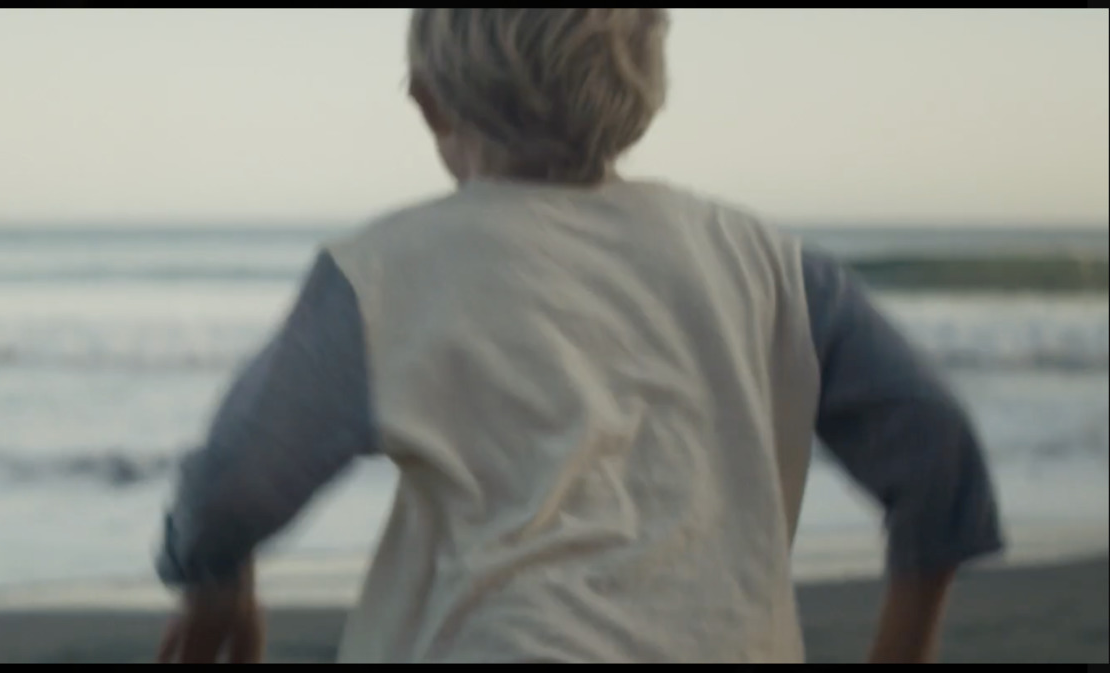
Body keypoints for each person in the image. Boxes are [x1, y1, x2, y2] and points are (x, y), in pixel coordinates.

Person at [152, 8, 1004, 664]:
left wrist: (215, 577)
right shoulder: (771, 267)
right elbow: (936, 447)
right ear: (645, 87)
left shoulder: (385, 272)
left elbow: (236, 482)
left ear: (426, 98)